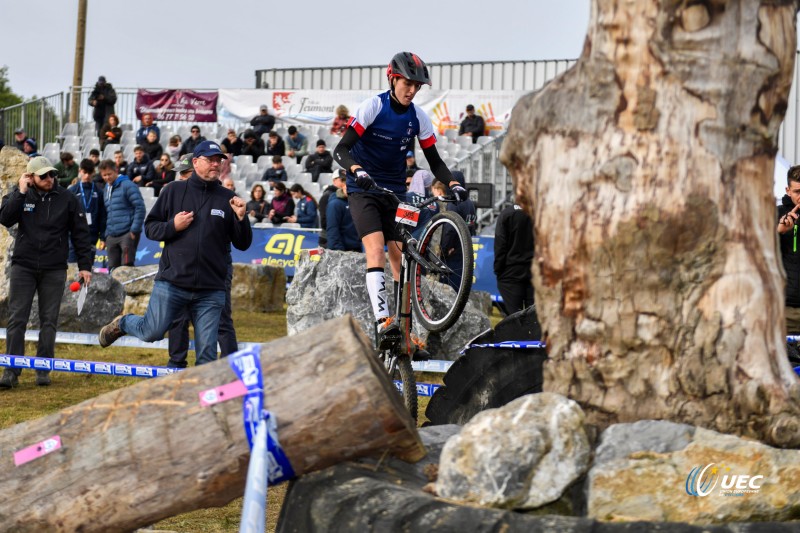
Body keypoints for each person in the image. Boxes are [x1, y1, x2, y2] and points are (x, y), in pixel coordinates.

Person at [333, 51, 467, 348]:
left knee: (401, 259)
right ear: (392, 78)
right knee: (376, 252)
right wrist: (357, 170)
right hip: (363, 189)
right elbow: (341, 150)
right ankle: (384, 323)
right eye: (407, 83)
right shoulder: (373, 107)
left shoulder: (418, 117)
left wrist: (454, 183)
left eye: (417, 87)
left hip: (395, 192)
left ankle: (408, 333)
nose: (412, 90)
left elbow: (435, 161)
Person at [98, 141, 253, 368]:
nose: (215, 164)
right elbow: (151, 228)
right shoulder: (173, 190)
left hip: (212, 289)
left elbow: (243, 243)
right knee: (151, 332)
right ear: (196, 162)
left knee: (207, 355)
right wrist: (173, 226)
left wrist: (242, 218)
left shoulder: (227, 197)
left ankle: (201, 402)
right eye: (210, 159)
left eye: (219, 160)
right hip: (173, 282)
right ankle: (123, 323)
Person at [0, 156, 93, 389]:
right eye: (44, 175)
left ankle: (43, 368)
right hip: (23, 265)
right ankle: (11, 369)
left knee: (49, 320)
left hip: (54, 268)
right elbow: (5, 218)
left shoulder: (68, 198)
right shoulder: (19, 194)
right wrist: (20, 193)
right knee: (17, 319)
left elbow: (81, 234)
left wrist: (84, 266)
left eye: (52, 174)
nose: (50, 179)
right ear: (30, 177)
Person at [99, 159, 146, 269]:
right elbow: (108, 212)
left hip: (127, 234)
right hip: (111, 235)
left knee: (126, 268)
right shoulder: (106, 188)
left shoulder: (128, 185)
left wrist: (134, 230)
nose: (107, 177)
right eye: (104, 175)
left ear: (116, 170)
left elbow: (140, 207)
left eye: (109, 174)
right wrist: (106, 235)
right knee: (112, 268)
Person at [493, 203, 534, 315]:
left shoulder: (507, 214)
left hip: (511, 273)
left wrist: (498, 270)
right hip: (534, 272)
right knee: (534, 318)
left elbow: (500, 246)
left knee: (514, 316)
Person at [68, 158, 107, 265]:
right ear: (80, 171)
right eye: (84, 172)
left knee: (87, 272)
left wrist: (103, 237)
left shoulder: (98, 192)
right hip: (73, 238)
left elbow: (103, 216)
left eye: (89, 173)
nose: (87, 176)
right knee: (71, 270)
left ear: (93, 173)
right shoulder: (72, 190)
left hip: (91, 237)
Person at [778, 165, 800, 333]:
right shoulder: (774, 213)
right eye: (798, 192)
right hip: (785, 310)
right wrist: (780, 231)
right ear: (788, 190)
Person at [326, 182, 361, 252]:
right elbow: (333, 229)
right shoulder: (335, 204)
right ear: (343, 186)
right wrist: (338, 251)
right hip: (343, 250)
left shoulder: (357, 202)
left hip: (357, 248)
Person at [318, 170, 346, 247]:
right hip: (328, 239)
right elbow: (324, 222)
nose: (345, 183)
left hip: (341, 238)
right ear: (334, 180)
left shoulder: (346, 196)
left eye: (347, 180)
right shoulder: (327, 196)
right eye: (342, 180)